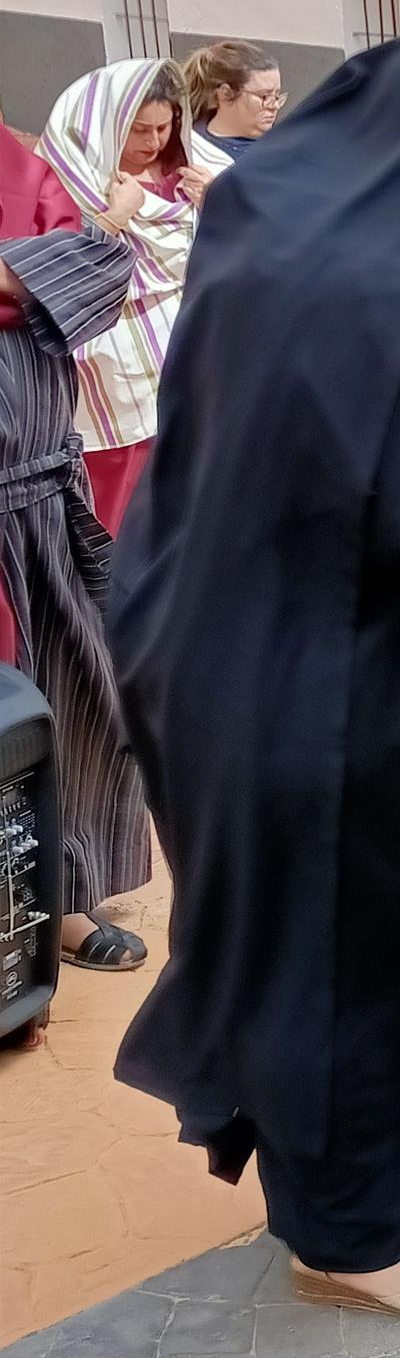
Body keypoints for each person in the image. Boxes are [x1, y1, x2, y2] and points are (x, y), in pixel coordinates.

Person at [110, 31, 400, 1319]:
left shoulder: (307, 245)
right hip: (307, 683)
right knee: (340, 949)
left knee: (387, 932)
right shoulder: (341, 292)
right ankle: (345, 1230)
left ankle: (384, 1169)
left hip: (294, 656)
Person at [0, 121, 152, 979]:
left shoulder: (15, 160)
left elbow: (101, 266)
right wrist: (28, 278)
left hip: (40, 498)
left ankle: (60, 898)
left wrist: (13, 273)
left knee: (78, 700)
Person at [37, 61, 227, 533]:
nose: (155, 141)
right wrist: (116, 217)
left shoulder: (193, 171)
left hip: (182, 348)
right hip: (106, 360)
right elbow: (54, 269)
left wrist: (218, 202)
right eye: (140, 129)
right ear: (106, 126)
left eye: (165, 127)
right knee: (116, 493)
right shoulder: (65, 181)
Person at [184, 40, 285, 160]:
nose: (274, 106)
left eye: (277, 96)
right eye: (264, 97)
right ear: (225, 93)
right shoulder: (192, 152)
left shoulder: (285, 143)